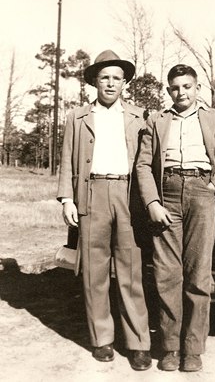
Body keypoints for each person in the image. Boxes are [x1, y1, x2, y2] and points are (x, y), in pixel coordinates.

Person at [136, 64, 215, 372]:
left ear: (196, 88)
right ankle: (170, 348)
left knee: (198, 274)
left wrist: (213, 185)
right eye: (175, 87)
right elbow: (144, 166)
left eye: (187, 86)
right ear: (168, 90)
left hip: (201, 192)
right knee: (166, 274)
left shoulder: (214, 118)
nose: (181, 92)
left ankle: (193, 349)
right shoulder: (157, 121)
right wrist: (152, 202)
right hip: (166, 192)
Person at [57, 50, 152, 371]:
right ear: (94, 82)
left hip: (127, 195)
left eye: (116, 78)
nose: (110, 83)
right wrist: (67, 199)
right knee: (95, 272)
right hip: (92, 193)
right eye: (104, 78)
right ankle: (102, 339)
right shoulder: (78, 117)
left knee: (131, 269)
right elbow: (67, 158)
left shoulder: (140, 116)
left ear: (124, 83)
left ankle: (139, 343)